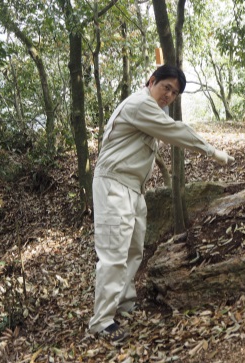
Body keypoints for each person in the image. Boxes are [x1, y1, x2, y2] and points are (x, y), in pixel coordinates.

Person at [89, 65, 234, 344]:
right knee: (114, 252)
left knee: (133, 249)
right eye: (166, 87)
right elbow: (174, 131)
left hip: (132, 188)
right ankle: (102, 320)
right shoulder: (140, 104)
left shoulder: (151, 109)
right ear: (151, 81)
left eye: (175, 92)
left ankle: (124, 302)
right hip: (113, 185)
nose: (169, 94)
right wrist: (212, 151)